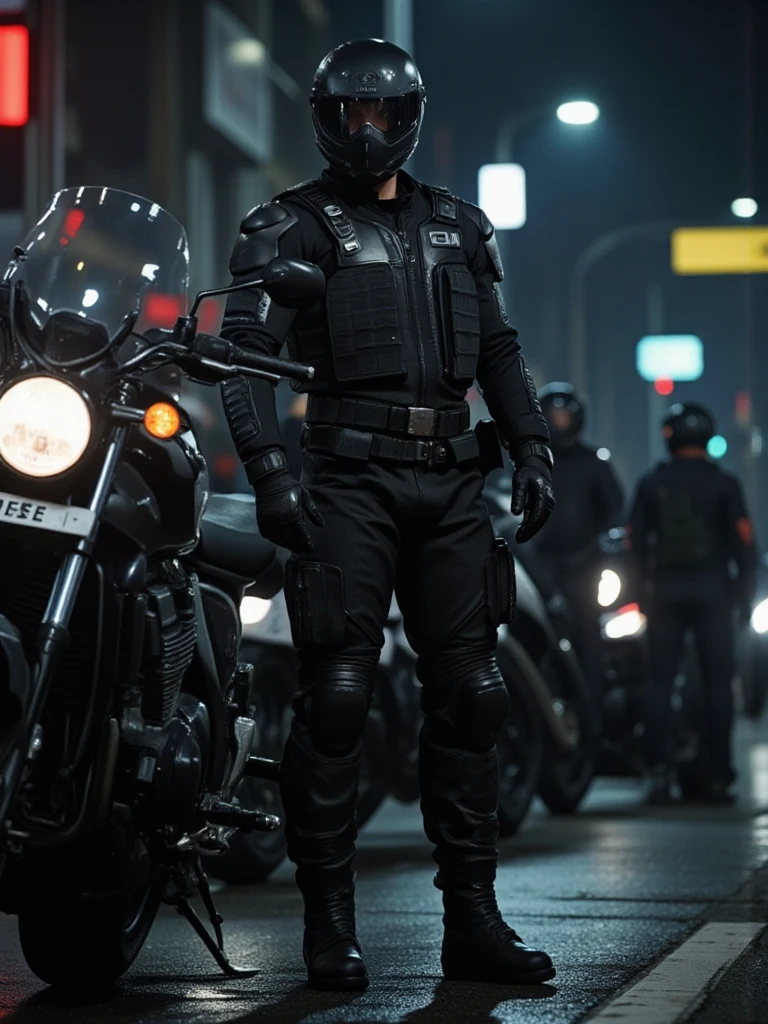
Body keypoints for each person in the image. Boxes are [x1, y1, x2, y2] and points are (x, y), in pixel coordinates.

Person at [218, 39, 556, 991]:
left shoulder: (459, 222)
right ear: (325, 118)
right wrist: (274, 473)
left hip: (452, 478)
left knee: (477, 695)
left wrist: (532, 446)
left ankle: (474, 925)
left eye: (381, 115)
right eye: (348, 115)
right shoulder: (288, 224)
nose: (365, 132)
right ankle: (328, 931)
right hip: (348, 480)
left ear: (405, 116)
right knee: (335, 699)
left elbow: (496, 346)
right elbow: (243, 355)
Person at [626, 402, 756, 805]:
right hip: (714, 592)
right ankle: (717, 776)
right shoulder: (725, 484)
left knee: (659, 684)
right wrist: (743, 599)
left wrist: (641, 596)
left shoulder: (651, 484)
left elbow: (634, 548)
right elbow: (745, 547)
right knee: (719, 686)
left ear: (670, 437)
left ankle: (659, 773)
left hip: (664, 593)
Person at [524, 382, 625, 694]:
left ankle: (592, 717)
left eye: (563, 416)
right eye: (552, 416)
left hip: (585, 568)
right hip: (537, 570)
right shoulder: (530, 463)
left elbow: (616, 513)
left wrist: (605, 545)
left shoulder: (594, 464)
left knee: (588, 642)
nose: (558, 422)